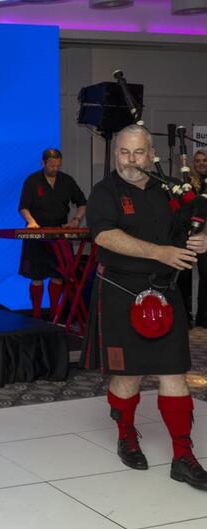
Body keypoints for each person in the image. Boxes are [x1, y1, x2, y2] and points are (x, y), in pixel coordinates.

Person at [81, 125, 207, 490]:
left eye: (138, 153)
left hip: (166, 292)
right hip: (120, 291)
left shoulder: (171, 189)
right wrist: (160, 252)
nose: (131, 161)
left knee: (174, 372)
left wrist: (201, 239)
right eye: (124, 152)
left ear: (152, 153)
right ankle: (126, 434)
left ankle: (182, 456)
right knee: (128, 375)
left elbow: (190, 226)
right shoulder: (104, 191)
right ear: (115, 153)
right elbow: (104, 235)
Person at [18, 148, 87, 319]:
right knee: (37, 276)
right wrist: (31, 221)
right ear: (43, 163)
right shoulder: (33, 180)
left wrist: (76, 220)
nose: (55, 168)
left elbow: (82, 203)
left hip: (60, 232)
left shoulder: (67, 181)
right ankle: (35, 315)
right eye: (51, 165)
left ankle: (55, 314)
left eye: (58, 165)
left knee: (58, 276)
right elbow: (23, 207)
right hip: (37, 232)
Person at [191, 148, 207, 327]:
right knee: (186, 277)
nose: (201, 163)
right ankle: (191, 317)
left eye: (205, 160)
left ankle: (203, 317)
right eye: (198, 160)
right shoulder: (189, 182)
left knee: (206, 276)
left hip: (205, 237)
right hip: (191, 235)